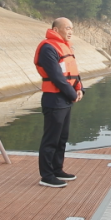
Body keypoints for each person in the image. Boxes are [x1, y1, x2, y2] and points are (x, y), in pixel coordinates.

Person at [34, 17, 84, 188]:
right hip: (54, 99)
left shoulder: (66, 47)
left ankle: (57, 169)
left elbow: (73, 72)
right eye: (67, 28)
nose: (70, 31)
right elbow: (56, 76)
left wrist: (79, 88)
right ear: (55, 30)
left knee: (62, 137)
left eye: (72, 28)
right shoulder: (48, 48)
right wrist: (72, 94)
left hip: (66, 98)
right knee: (51, 139)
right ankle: (47, 176)